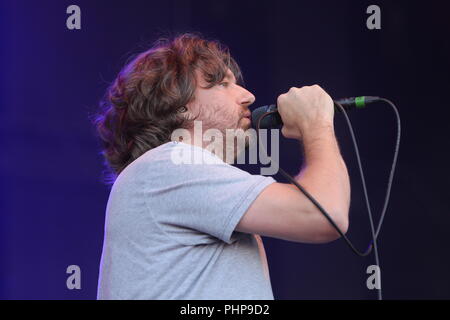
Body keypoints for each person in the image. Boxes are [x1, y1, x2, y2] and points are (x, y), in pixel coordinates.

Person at [92, 33, 350, 299]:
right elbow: (326, 215)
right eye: (223, 84)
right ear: (179, 105)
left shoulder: (170, 177)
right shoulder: (167, 164)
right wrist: (316, 125)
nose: (248, 96)